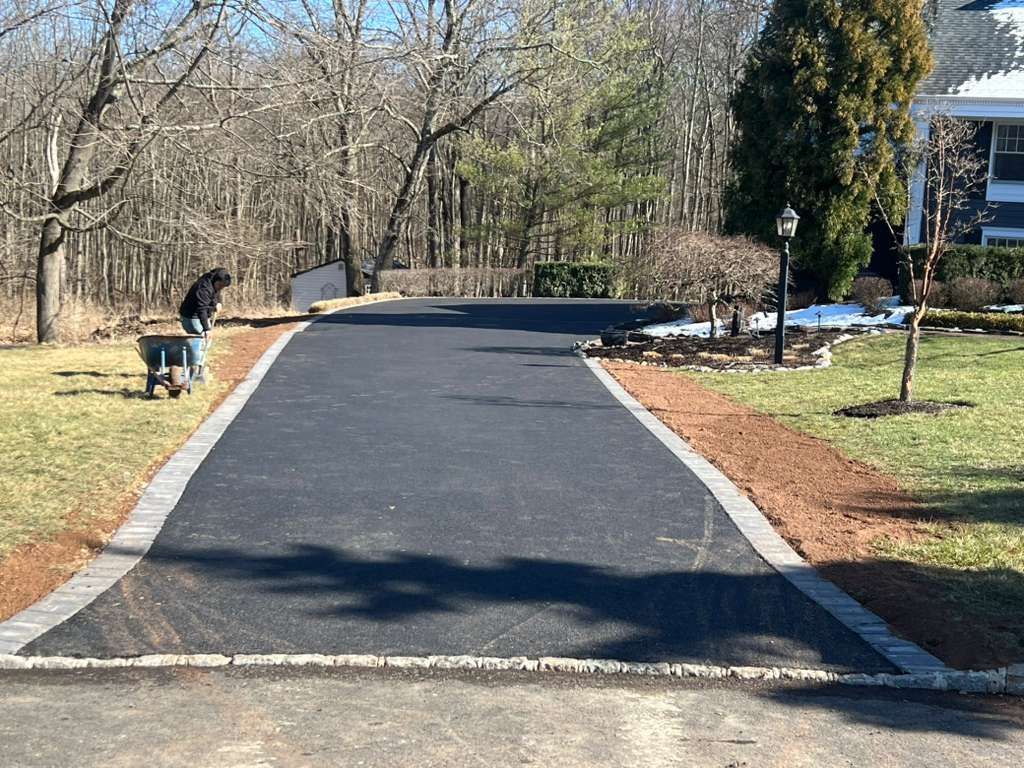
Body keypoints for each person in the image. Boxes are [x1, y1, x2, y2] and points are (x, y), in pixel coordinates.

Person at [179, 267, 232, 338]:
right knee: (202, 339)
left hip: (201, 316)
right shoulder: (203, 288)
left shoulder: (214, 280)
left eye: (222, 287)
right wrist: (206, 329)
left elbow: (216, 293)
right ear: (216, 280)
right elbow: (202, 309)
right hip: (191, 318)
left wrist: (218, 302)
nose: (220, 288)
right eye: (220, 285)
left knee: (207, 339)